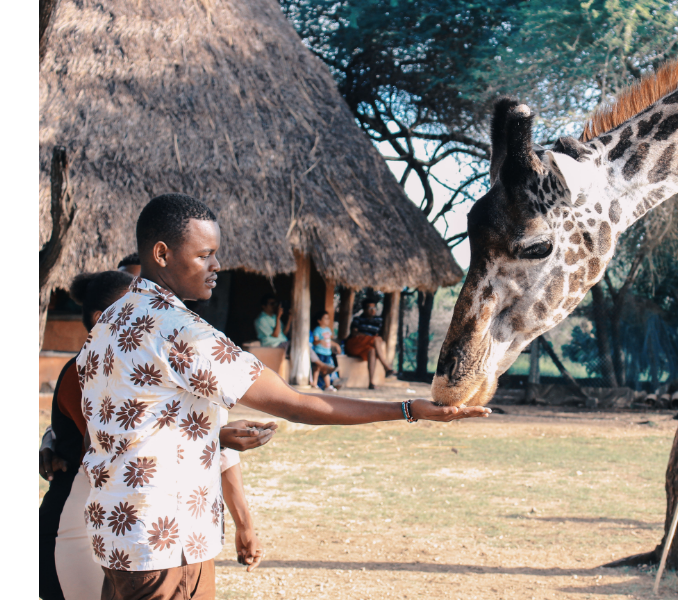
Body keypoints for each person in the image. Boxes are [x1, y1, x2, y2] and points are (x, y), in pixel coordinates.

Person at [79, 193, 490, 599]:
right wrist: (406, 409)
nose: (217, 265)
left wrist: (211, 437)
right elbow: (296, 404)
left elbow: (126, 425)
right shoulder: (179, 331)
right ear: (163, 254)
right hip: (166, 540)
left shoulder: (111, 320)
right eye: (205, 254)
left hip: (117, 531)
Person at [39, 268, 276, 600]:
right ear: (102, 317)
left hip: (153, 530)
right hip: (84, 525)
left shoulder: (168, 356)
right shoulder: (92, 368)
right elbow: (124, 440)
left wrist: (244, 522)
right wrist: (215, 436)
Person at [344, 297, 397, 389]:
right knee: (376, 339)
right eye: (369, 308)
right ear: (364, 310)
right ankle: (386, 366)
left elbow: (376, 335)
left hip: (366, 346)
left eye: (374, 308)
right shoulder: (358, 319)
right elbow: (354, 334)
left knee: (372, 350)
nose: (372, 311)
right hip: (354, 345)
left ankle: (371, 382)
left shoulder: (378, 321)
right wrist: (370, 337)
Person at [311, 311, 339, 391]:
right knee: (317, 367)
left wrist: (336, 345)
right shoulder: (317, 330)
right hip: (319, 352)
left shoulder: (328, 330)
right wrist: (320, 341)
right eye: (325, 318)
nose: (328, 320)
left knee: (326, 369)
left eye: (328, 318)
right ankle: (315, 384)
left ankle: (327, 386)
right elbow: (315, 342)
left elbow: (329, 340)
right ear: (319, 321)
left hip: (327, 353)